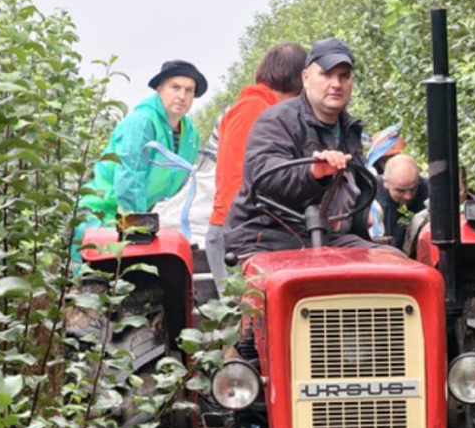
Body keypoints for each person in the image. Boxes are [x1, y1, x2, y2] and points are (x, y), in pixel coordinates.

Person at [224, 37, 384, 261]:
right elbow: (263, 174)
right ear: (306, 78)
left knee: (393, 263)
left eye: (344, 76)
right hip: (267, 236)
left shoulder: (350, 130)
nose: (336, 84)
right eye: (326, 74)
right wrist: (312, 173)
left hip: (325, 235)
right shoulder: (276, 120)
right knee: (305, 275)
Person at [204, 42, 307, 280]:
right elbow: (234, 180)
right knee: (245, 303)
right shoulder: (253, 109)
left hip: (250, 232)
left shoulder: (268, 111)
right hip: (237, 234)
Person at [78, 59, 208, 237]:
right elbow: (129, 178)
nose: (182, 96)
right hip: (105, 217)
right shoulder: (141, 122)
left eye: (189, 90)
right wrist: (137, 227)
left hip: (148, 216)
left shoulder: (191, 135)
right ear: (159, 89)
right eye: (175, 87)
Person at [371, 153, 429, 251]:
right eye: (400, 191)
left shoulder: (429, 192)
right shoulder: (371, 193)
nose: (408, 196)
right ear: (386, 183)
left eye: (413, 189)